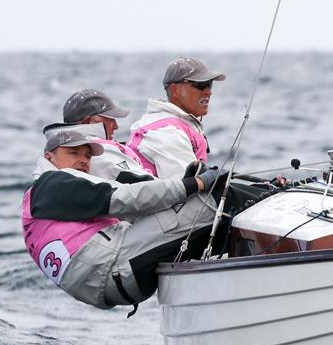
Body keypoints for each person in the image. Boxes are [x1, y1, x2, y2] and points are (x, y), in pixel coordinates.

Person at [21, 128, 223, 310]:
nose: (83, 160)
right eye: (73, 153)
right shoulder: (53, 183)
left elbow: (134, 209)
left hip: (108, 284)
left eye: (88, 155)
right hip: (113, 268)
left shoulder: (38, 197)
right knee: (215, 200)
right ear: (49, 157)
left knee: (197, 218)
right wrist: (192, 184)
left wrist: (182, 189)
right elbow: (127, 198)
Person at [125, 56, 226, 179]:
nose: (208, 92)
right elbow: (186, 189)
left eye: (209, 84)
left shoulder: (174, 123)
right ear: (175, 90)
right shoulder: (165, 133)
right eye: (201, 85)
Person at [54, 89, 152, 182]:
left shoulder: (58, 150)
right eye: (110, 119)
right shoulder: (102, 152)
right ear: (88, 122)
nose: (116, 126)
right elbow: (146, 184)